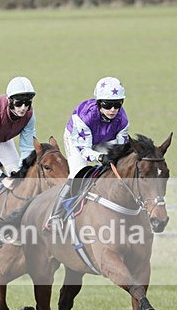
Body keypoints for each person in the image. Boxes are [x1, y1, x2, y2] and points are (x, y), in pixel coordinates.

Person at [46, 77, 130, 230]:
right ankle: (56, 215)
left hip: (103, 140)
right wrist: (100, 157)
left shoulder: (123, 120)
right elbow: (84, 150)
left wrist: (114, 159)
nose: (112, 110)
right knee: (77, 173)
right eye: (107, 105)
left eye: (117, 105)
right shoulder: (85, 116)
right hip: (78, 141)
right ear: (99, 104)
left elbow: (121, 148)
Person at [0, 76, 37, 176]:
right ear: (9, 101)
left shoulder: (29, 115)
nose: (23, 108)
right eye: (18, 103)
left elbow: (27, 148)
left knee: (17, 174)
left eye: (27, 103)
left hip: (3, 141)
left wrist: (23, 172)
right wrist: (0, 176)